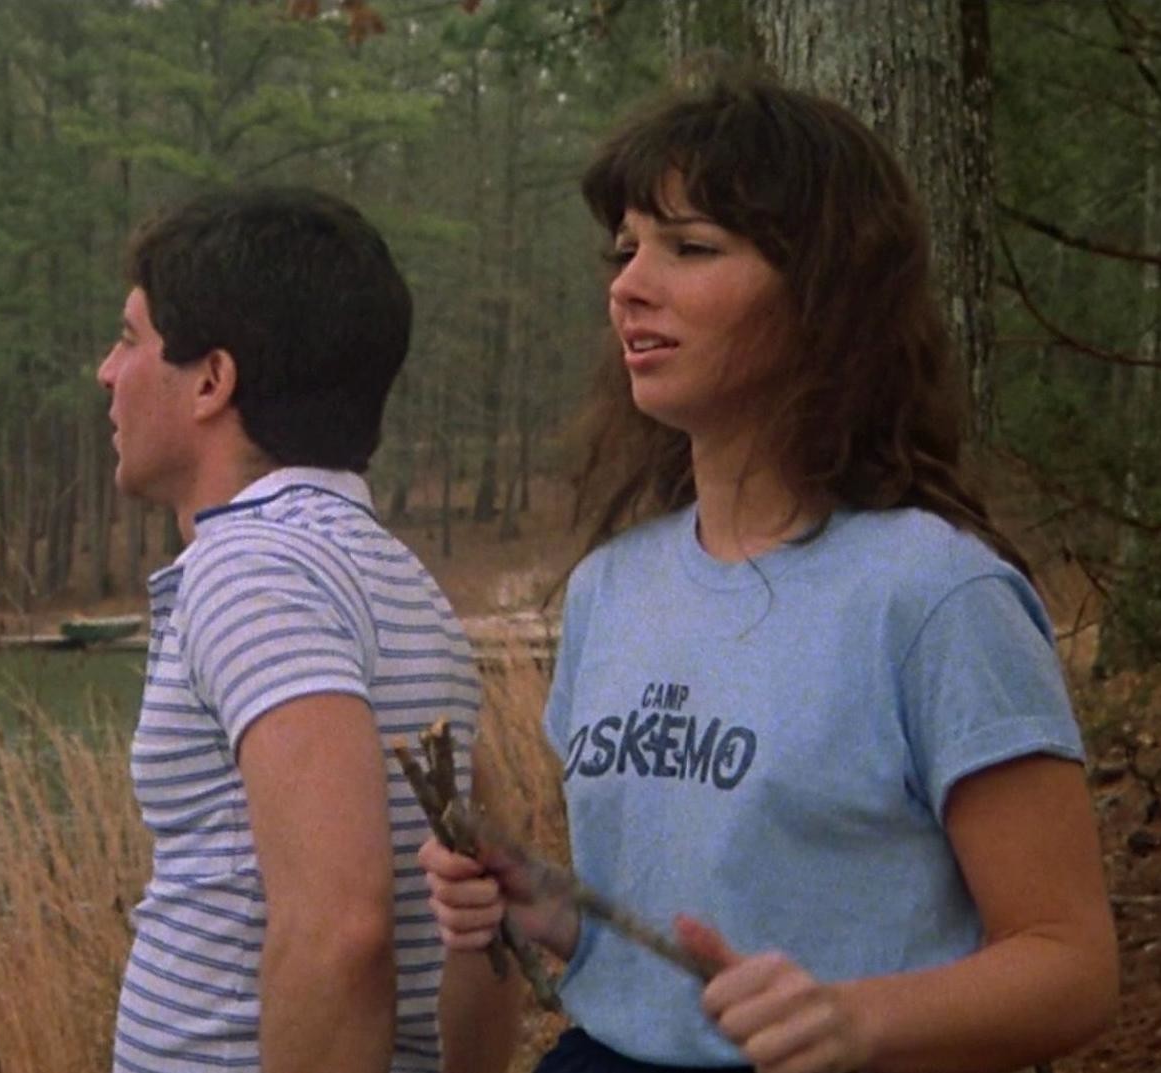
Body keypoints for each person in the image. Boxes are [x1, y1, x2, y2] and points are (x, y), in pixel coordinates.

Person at [421, 77, 1119, 1073]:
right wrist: (553, 906)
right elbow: (705, 930)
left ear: (825, 294)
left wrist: (861, 1018)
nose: (628, 285)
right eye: (625, 249)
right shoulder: (611, 588)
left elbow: (1072, 965)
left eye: (691, 247)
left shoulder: (935, 595)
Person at [99, 187, 508, 1073]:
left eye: (130, 340)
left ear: (212, 380)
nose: (106, 371)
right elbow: (481, 927)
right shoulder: (402, 581)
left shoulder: (253, 571)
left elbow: (341, 926)